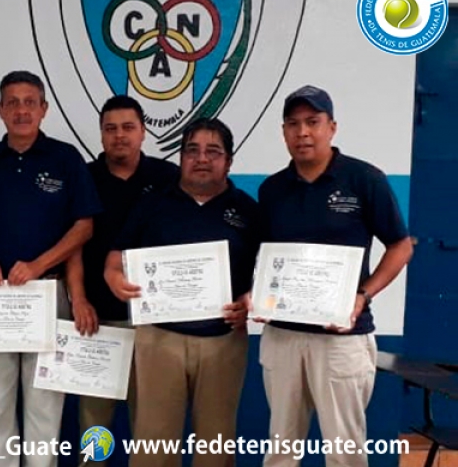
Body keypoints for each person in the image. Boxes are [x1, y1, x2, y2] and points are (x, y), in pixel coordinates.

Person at [257, 86, 413, 467]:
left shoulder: (365, 179)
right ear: (283, 132)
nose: (303, 132)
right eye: (293, 124)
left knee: (345, 453)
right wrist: (255, 295)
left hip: (342, 337)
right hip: (283, 336)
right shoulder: (272, 189)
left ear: (332, 127)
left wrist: (363, 295)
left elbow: (401, 246)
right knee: (280, 450)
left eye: (313, 122)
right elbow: (265, 257)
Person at [105, 117, 258, 467]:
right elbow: (115, 258)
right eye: (192, 150)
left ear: (229, 161)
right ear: (181, 158)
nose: (201, 158)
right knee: (153, 445)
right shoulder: (152, 204)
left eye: (213, 151)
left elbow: (266, 274)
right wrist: (113, 277)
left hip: (222, 340)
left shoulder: (248, 210)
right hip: (159, 339)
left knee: (216, 447)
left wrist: (250, 300)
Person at [0, 70, 101, 467]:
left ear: (44, 109)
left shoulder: (66, 158)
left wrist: (40, 266)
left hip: (48, 293)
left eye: (30, 102)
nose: (21, 110)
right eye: (12, 102)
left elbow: (83, 227)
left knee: (45, 405)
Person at [70, 95, 179, 438]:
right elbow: (73, 245)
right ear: (101, 134)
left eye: (128, 127)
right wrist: (79, 300)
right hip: (97, 320)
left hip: (154, 324)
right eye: (111, 128)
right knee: (94, 425)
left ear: (143, 132)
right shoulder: (85, 177)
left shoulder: (168, 177)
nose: (120, 135)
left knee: (149, 424)